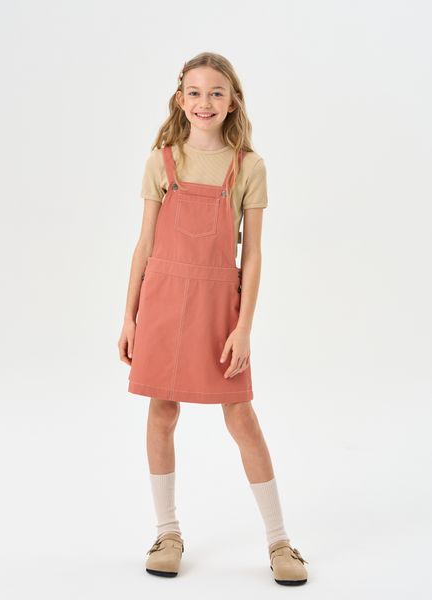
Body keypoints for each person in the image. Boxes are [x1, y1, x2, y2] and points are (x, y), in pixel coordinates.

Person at [118, 52, 309, 585]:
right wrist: (129, 316)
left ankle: (280, 541)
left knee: (241, 416)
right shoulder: (161, 161)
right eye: (195, 92)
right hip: (161, 301)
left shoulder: (248, 167)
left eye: (216, 93)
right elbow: (144, 244)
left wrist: (244, 327)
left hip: (218, 305)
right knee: (161, 412)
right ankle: (167, 533)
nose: (205, 102)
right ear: (180, 99)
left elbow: (255, 255)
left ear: (233, 101)